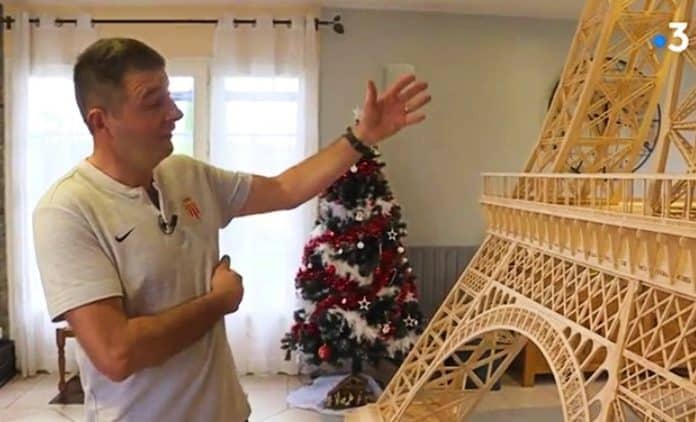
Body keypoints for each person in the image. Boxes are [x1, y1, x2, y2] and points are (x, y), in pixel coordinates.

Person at [32, 37, 430, 422]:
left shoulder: (186, 174)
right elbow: (117, 354)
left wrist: (361, 136)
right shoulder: (67, 210)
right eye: (153, 102)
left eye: (169, 96)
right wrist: (218, 302)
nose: (175, 112)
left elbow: (285, 189)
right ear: (101, 121)